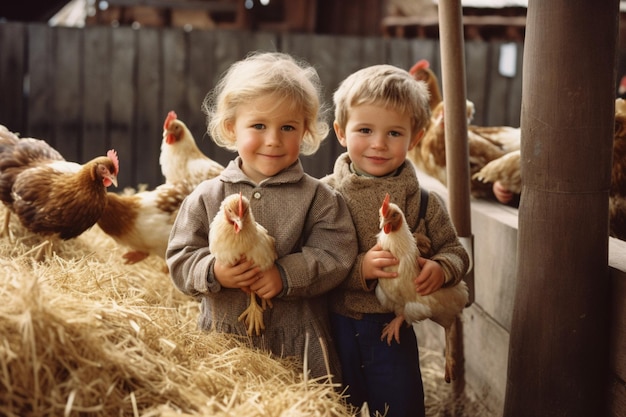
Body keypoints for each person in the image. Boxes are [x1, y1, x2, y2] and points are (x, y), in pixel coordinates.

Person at [166, 51, 358, 381]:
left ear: (306, 131)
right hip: (223, 345)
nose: (273, 140)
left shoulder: (320, 199)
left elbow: (337, 255)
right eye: (258, 125)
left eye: (288, 127)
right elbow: (179, 260)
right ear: (230, 128)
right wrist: (213, 271)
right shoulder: (206, 197)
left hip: (298, 343)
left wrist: (285, 274)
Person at [322, 64, 470, 417]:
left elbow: (456, 251)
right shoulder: (325, 195)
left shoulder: (423, 201)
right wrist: (360, 269)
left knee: (400, 407)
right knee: (336, 408)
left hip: (394, 329)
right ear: (341, 132)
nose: (378, 144)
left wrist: (442, 268)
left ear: (415, 138)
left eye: (393, 133)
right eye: (365, 130)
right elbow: (314, 260)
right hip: (335, 325)